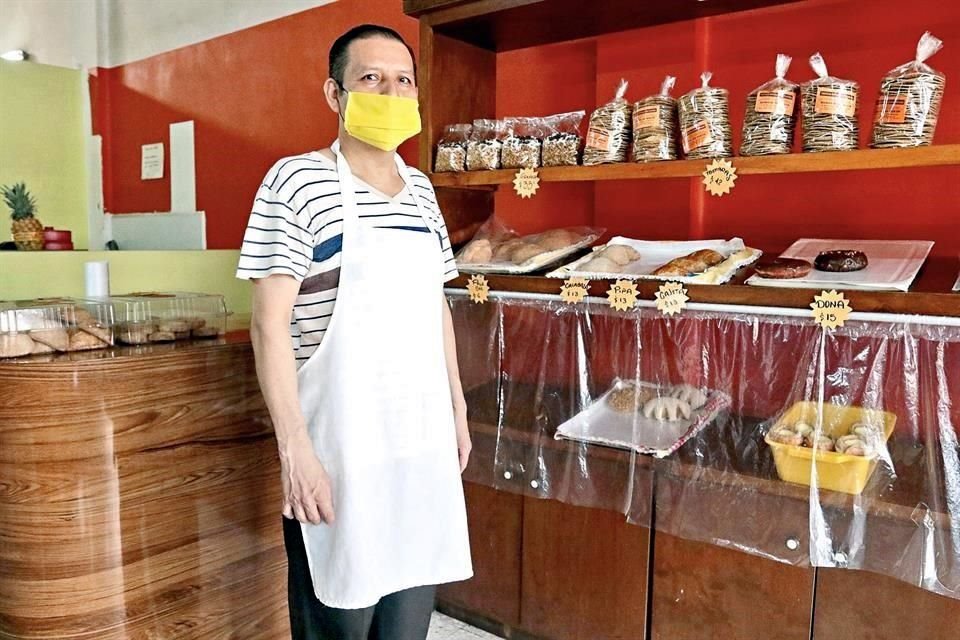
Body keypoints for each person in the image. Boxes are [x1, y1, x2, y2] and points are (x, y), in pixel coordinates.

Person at [236, 24, 473, 640]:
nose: (390, 92)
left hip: (418, 449)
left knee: (404, 623)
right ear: (334, 94)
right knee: (340, 617)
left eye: (403, 80)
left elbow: (436, 307)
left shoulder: (422, 191)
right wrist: (296, 451)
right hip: (339, 450)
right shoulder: (296, 182)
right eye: (370, 78)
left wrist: (457, 408)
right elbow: (269, 325)